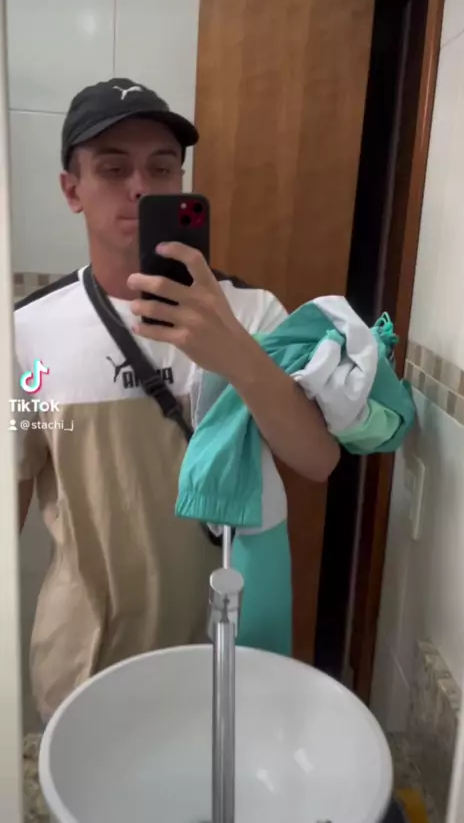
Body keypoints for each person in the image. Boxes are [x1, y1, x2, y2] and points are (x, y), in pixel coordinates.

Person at [15, 77, 340, 723]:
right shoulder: (26, 334)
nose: (141, 186)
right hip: (84, 658)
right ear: (72, 190)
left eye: (161, 167)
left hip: (220, 651)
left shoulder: (254, 313)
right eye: (113, 168)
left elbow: (317, 459)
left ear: (182, 182)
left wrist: (236, 354)